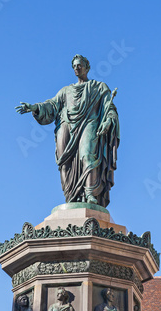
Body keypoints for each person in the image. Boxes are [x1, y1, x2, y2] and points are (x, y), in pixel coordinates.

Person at [15, 54, 119, 206]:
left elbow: (109, 107)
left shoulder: (99, 87)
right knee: (64, 163)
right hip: (66, 125)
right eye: (74, 66)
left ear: (87, 67)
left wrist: (109, 121)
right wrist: (35, 107)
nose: (77, 68)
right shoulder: (65, 91)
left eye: (79, 65)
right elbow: (52, 105)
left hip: (89, 123)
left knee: (87, 156)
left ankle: (90, 194)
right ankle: (70, 196)